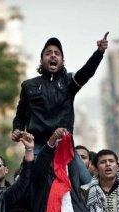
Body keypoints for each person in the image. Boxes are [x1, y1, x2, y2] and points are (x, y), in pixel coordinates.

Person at [12, 34, 109, 184]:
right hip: (38, 146)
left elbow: (87, 72)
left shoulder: (69, 82)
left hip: (64, 146)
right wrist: (17, 129)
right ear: (41, 60)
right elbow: (20, 116)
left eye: (57, 53)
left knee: (88, 184)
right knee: (25, 184)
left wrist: (99, 52)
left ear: (62, 61)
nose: (53, 56)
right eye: (48, 53)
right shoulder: (28, 85)